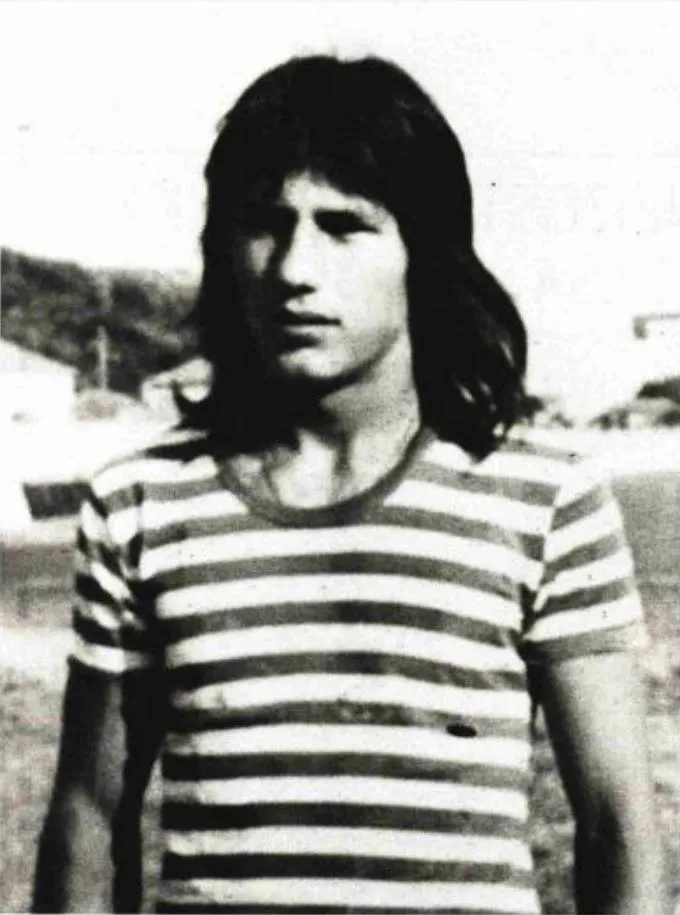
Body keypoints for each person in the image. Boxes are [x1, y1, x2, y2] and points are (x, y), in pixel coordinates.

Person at [33, 55, 667, 914]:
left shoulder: (544, 498)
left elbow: (617, 825)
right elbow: (89, 816)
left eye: (344, 225)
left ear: (422, 252)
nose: (296, 268)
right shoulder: (141, 501)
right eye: (265, 224)